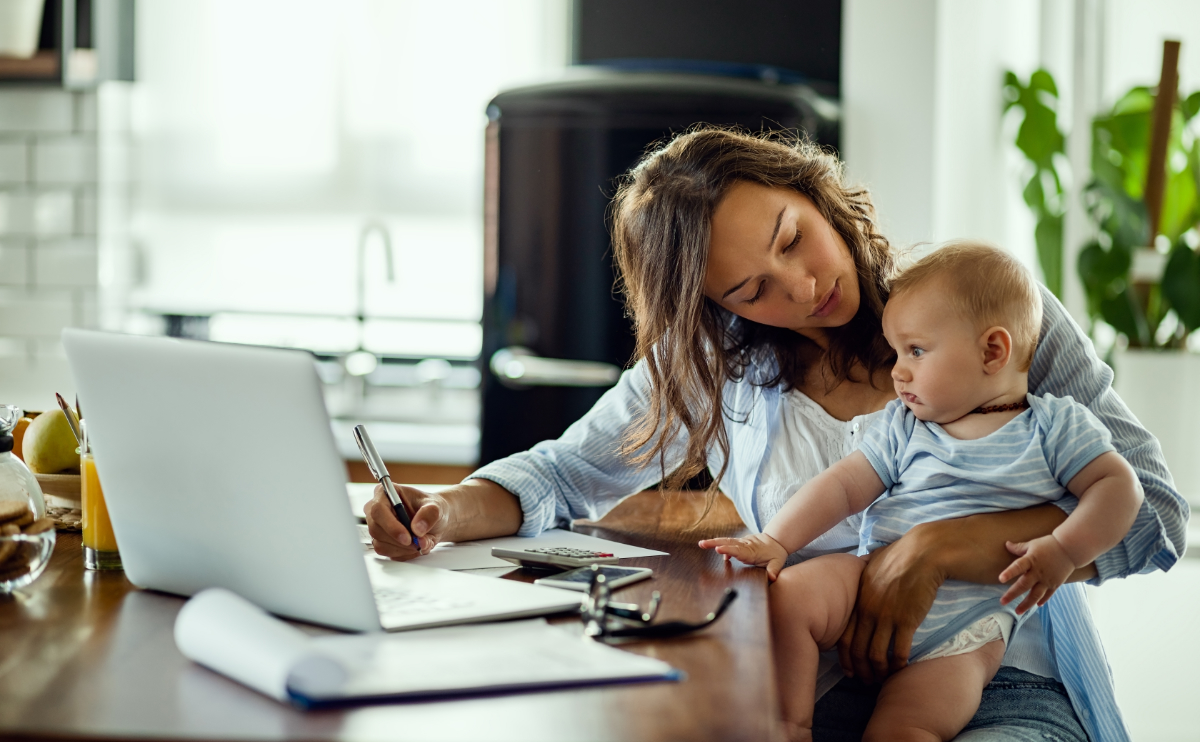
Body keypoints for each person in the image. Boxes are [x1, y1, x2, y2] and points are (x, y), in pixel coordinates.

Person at [364, 128, 1188, 741]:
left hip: (996, 679)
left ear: (817, 192)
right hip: (811, 684)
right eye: (753, 288)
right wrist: (443, 509)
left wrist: (936, 549)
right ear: (719, 308)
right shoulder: (719, 365)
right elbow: (565, 474)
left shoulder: (990, 316)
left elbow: (1155, 520)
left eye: (794, 238)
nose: (802, 288)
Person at [699, 242, 1144, 741]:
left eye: (915, 351)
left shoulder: (1053, 427)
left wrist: (1065, 550)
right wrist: (778, 541)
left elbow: (1121, 487)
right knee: (791, 598)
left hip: (968, 630)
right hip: (874, 578)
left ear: (992, 351)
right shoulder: (907, 426)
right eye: (896, 353)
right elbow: (844, 486)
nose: (898, 371)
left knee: (904, 726)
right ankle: (787, 726)